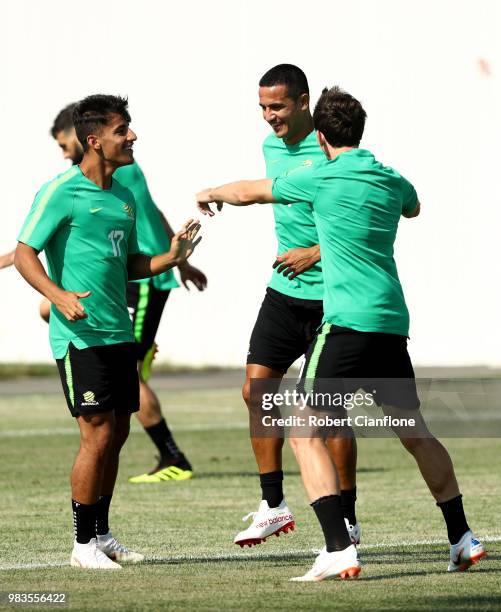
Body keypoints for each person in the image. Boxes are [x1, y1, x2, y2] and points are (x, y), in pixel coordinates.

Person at [196, 86, 485, 580]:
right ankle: (461, 538)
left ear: (323, 136)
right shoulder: (391, 178)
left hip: (346, 323)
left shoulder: (321, 176)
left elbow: (250, 191)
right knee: (415, 433)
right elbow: (414, 208)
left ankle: (338, 546)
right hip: (392, 323)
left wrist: (209, 193)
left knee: (302, 427)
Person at [15, 94, 201, 569]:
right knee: (95, 435)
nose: (132, 137)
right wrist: (57, 296)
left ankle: (101, 535)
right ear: (94, 141)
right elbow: (24, 254)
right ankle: (81, 547)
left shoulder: (122, 196)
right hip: (81, 337)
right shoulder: (61, 191)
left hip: (117, 332)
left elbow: (130, 263)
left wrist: (172, 258)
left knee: (116, 434)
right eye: (123, 130)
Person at [231, 65, 359, 548]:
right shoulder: (270, 147)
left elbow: (361, 219)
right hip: (284, 291)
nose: (269, 116)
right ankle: (273, 505)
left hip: (333, 295)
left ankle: (346, 516)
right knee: (255, 390)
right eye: (263, 107)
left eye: (278, 106)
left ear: (304, 102)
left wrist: (316, 252)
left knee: (328, 412)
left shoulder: (335, 151)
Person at [51, 103, 208, 482]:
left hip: (143, 283)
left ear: (82, 139)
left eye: (62, 144)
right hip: (133, 282)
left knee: (133, 378)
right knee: (120, 393)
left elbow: (144, 214)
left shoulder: (121, 175)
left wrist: (174, 260)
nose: (62, 151)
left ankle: (173, 456)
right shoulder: (76, 187)